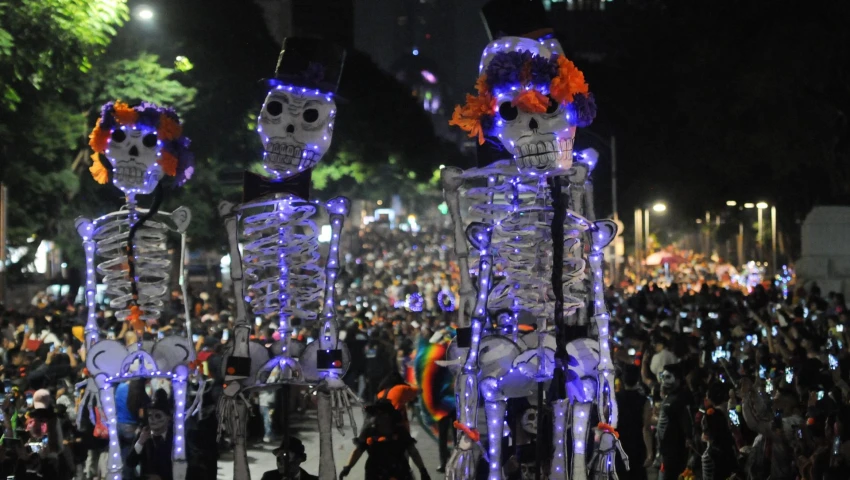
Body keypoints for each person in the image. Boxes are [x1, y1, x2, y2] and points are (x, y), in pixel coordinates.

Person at [339, 400, 431, 480]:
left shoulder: (400, 431)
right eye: (376, 413)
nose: (376, 417)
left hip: (398, 471)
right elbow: (358, 450)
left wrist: (423, 470)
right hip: (375, 472)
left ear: (389, 415)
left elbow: (413, 452)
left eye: (380, 413)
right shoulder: (369, 431)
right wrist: (348, 467)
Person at [126, 389, 173, 480]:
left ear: (168, 418)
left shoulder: (174, 437)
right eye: (150, 415)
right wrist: (140, 442)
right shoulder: (143, 434)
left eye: (158, 416)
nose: (152, 420)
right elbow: (130, 463)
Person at [615, 365, 651, 480]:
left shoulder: (615, 399)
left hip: (619, 444)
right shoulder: (644, 400)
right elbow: (646, 428)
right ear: (638, 379)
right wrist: (650, 452)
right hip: (637, 444)